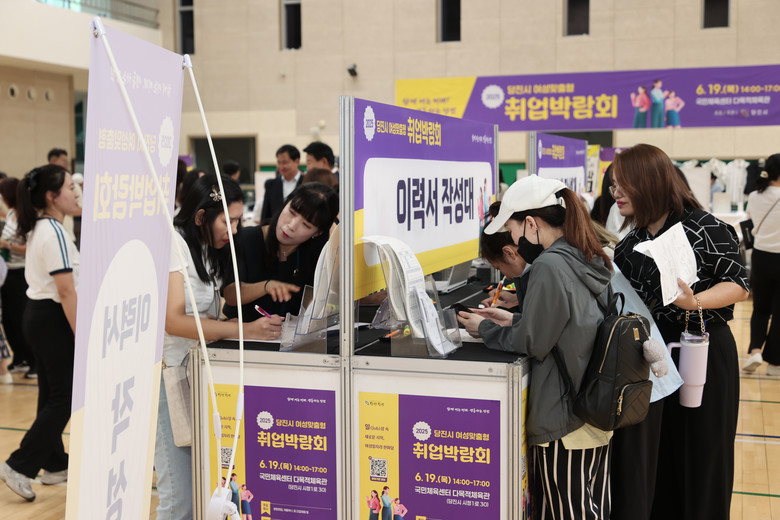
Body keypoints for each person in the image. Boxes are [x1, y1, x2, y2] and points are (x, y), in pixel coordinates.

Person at [458, 175, 614, 519]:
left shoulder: (549, 265)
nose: (513, 240)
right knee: (592, 506)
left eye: (512, 230)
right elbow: (568, 324)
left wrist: (486, 328)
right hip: (594, 406)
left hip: (563, 414)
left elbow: (534, 342)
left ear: (530, 224)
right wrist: (515, 320)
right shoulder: (582, 254)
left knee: (566, 510)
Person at [611, 143, 749, 520]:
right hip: (654, 356)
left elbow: (738, 284)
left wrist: (694, 302)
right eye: (614, 186)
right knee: (661, 452)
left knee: (704, 452)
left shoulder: (705, 226)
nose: (616, 193)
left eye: (623, 184)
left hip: (702, 346)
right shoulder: (630, 244)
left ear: (649, 182)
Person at [156, 174, 284, 520]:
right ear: (201, 216)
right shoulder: (173, 243)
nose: (235, 229)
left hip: (196, 373)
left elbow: (205, 315)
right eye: (228, 221)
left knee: (201, 489)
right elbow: (173, 321)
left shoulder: (209, 249)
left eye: (239, 220)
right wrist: (244, 330)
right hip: (169, 377)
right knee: (180, 499)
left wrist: (231, 326)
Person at [0, 164, 80, 501]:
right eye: (70, 188)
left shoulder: (44, 227)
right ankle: (18, 466)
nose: (77, 193)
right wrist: (82, 334)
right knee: (64, 398)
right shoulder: (53, 232)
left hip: (40, 316)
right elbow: (66, 291)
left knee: (51, 395)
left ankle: (55, 463)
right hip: (52, 318)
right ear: (51, 196)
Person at [222, 182, 339, 320]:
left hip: (289, 331)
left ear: (318, 232)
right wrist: (266, 286)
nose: (291, 226)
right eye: (292, 212)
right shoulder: (246, 238)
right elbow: (230, 295)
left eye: (306, 225)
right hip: (241, 328)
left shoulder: (316, 252)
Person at [743, 153, 780, 376]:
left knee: (760, 308)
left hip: (760, 256)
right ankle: (774, 364)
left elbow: (749, 222)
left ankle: (756, 350)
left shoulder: (755, 196)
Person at [0, 177, 35, 380]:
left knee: (21, 318)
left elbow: (30, 248)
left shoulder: (26, 216)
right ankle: (20, 357)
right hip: (8, 272)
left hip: (21, 272)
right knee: (9, 320)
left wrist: (8, 245)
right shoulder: (11, 214)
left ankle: (33, 361)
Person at [478, 201, 527, 310]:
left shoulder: (544, 271)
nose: (507, 277)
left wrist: (485, 324)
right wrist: (517, 299)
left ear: (509, 253)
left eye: (499, 268)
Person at [260, 144, 302, 225]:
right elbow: (265, 215)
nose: (281, 167)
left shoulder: (306, 183)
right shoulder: (271, 185)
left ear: (297, 161)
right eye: (279, 162)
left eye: (285, 162)